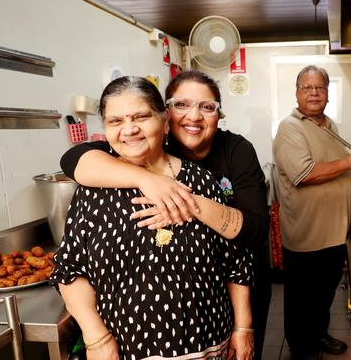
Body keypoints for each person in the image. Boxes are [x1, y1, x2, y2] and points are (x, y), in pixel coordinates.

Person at [59, 71, 271, 360]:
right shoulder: (94, 187)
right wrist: (97, 338)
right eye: (116, 121)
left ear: (163, 121)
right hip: (126, 351)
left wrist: (244, 328)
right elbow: (69, 269)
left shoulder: (207, 177)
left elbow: (238, 260)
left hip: (208, 346)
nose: (129, 129)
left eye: (141, 117)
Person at [272, 65, 351, 360]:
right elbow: (305, 174)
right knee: (302, 298)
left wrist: (350, 190)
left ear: (328, 94)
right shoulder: (290, 127)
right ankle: (301, 348)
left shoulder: (328, 125)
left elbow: (331, 166)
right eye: (307, 87)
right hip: (307, 234)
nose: (314, 93)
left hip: (335, 231)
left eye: (320, 88)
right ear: (297, 93)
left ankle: (319, 334)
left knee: (324, 293)